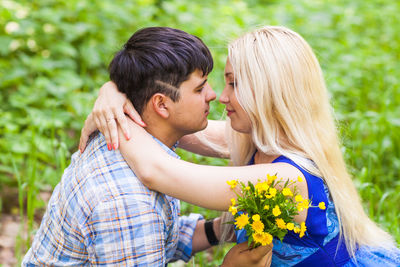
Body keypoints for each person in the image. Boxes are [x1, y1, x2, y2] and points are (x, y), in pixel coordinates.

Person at [80, 26, 400, 266]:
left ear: (268, 93)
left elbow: (156, 170)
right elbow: (167, 121)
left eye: (234, 83)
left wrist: (114, 110)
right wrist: (117, 91)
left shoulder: (286, 180)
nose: (222, 96)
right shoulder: (262, 140)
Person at [23, 26, 272, 266]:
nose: (213, 95)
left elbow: (158, 238)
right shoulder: (128, 202)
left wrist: (220, 229)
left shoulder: (129, 143)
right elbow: (141, 224)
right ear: (161, 105)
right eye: (199, 88)